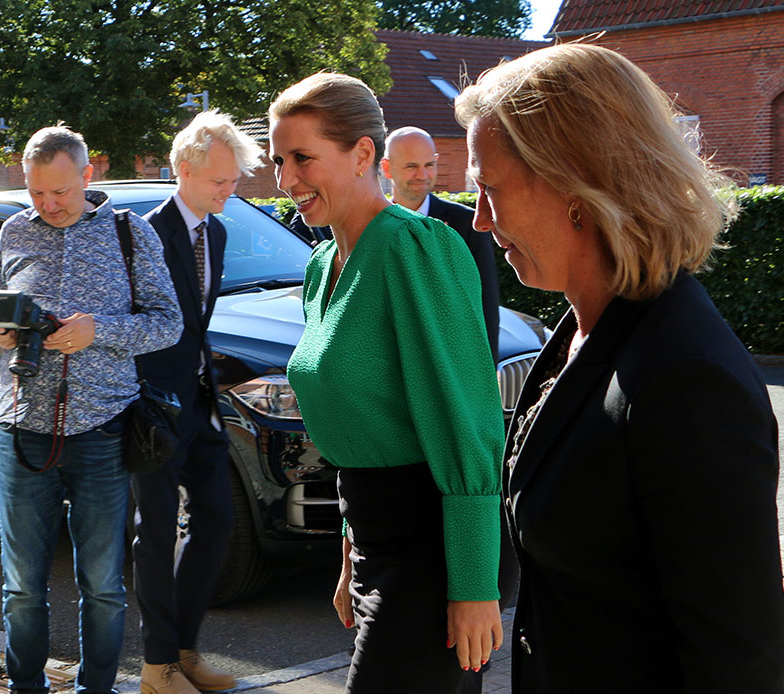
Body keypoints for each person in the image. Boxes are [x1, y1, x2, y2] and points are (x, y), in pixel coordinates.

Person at [455, 43, 784, 692]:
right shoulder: (585, 330)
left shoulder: (683, 378)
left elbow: (737, 660)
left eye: (490, 190)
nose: (479, 220)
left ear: (576, 184)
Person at [270, 72, 506, 693]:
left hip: (433, 552)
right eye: (278, 160)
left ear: (363, 154)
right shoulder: (322, 267)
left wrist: (476, 583)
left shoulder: (414, 249)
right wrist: (350, 552)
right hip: (374, 537)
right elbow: (365, 428)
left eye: (302, 158)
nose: (286, 180)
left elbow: (467, 415)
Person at [0, 125, 180, 694]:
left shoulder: (128, 232)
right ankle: (26, 688)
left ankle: (97, 689)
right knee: (21, 585)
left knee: (103, 583)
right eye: (37, 193)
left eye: (60, 192)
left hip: (103, 429)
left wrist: (99, 333)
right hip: (20, 429)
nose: (48, 205)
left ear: (87, 176)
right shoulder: (15, 230)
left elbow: (169, 324)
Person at [133, 111, 263, 694]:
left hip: (199, 403)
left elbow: (198, 323)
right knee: (156, 534)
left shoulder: (218, 231)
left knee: (218, 521)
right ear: (184, 170)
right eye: (220, 182)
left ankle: (184, 652)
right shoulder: (143, 233)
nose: (229, 192)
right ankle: (156, 667)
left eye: (233, 181)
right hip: (151, 409)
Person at [381, 127, 500, 363]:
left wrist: (486, 367)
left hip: (452, 362)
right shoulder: (370, 225)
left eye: (429, 165)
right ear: (387, 168)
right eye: (411, 166)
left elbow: (485, 302)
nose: (422, 175)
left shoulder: (466, 224)